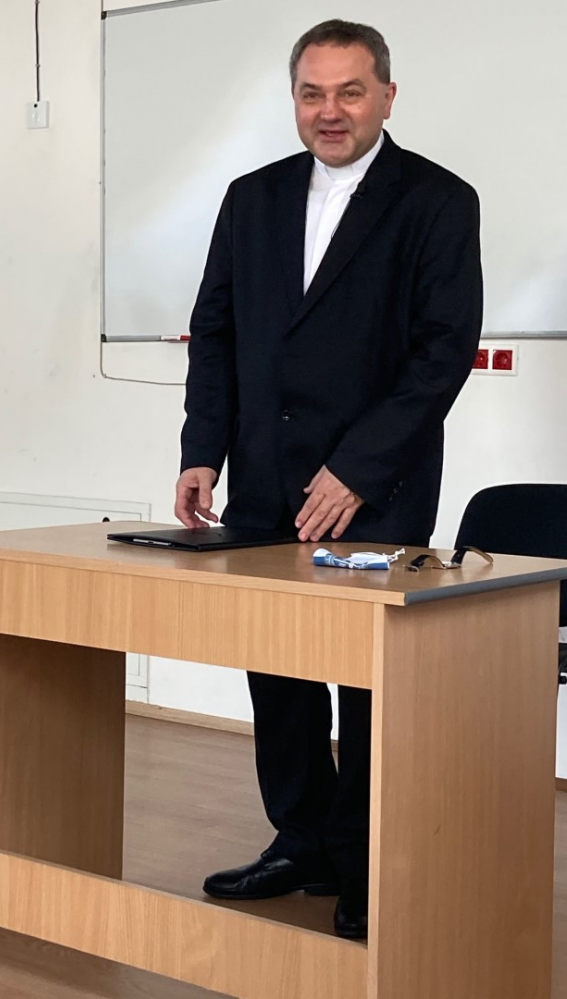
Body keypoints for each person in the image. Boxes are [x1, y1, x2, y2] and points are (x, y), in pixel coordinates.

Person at [175, 19, 483, 940]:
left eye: (350, 91)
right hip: (265, 484)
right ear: (294, 99)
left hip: (375, 489)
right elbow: (216, 331)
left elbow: (441, 354)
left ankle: (366, 861)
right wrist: (202, 448)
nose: (330, 110)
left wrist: (355, 467)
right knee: (279, 670)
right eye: (313, 93)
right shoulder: (252, 198)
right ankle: (302, 839)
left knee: (368, 684)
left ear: (387, 94)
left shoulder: (437, 200)